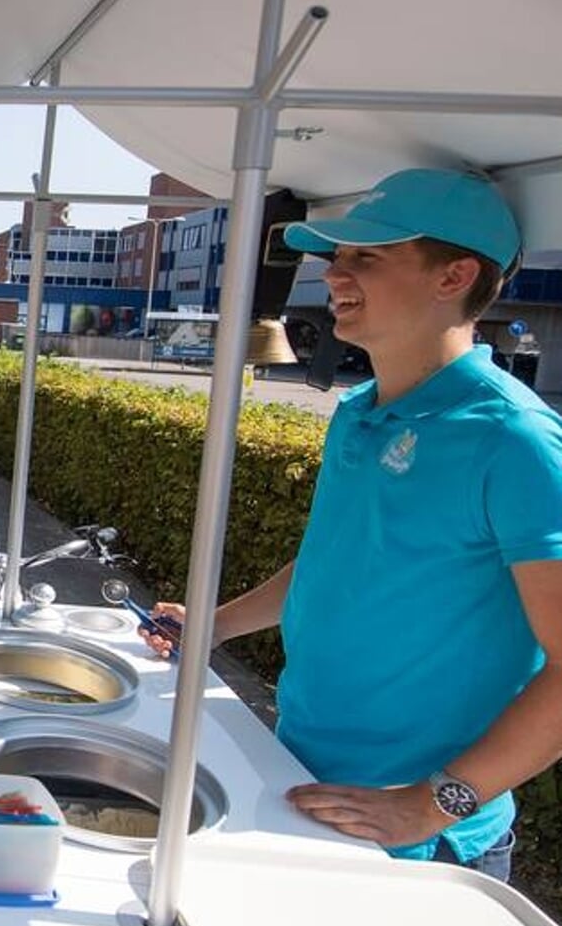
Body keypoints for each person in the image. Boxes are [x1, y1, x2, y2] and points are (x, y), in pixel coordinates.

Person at [144, 168, 562, 881]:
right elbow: (332, 562)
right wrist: (210, 627)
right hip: (297, 777)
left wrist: (432, 804)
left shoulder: (513, 439)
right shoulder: (359, 411)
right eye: (335, 256)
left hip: (418, 845)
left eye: (365, 256)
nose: (333, 272)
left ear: (452, 275)